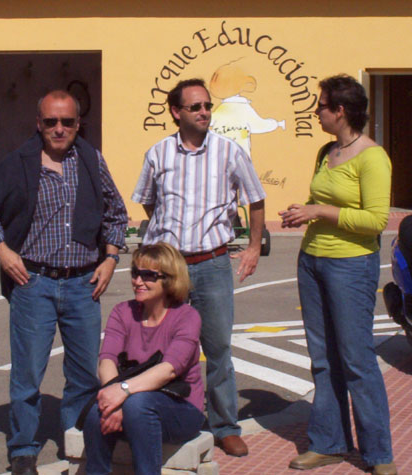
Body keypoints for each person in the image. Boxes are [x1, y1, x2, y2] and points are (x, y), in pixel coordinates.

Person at [0, 90, 127, 475]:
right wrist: (4, 253)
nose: (59, 129)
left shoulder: (90, 159)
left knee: (84, 371)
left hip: (83, 282)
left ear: (77, 124)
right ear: (38, 123)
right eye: (51, 122)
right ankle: (24, 448)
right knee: (27, 373)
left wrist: (111, 258)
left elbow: (116, 213)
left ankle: (76, 436)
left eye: (67, 122)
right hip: (33, 282)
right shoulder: (18, 162)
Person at [131, 78, 266, 457]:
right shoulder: (158, 154)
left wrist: (253, 247)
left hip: (212, 264)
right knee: (160, 346)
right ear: (176, 112)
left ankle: (224, 425)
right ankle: (166, 418)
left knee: (218, 346)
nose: (205, 112)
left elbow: (256, 199)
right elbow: (147, 203)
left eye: (207, 105)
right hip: (168, 269)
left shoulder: (229, 151)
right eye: (196, 107)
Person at [279, 75, 396, 475]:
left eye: (322, 105)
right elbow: (321, 200)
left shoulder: (372, 157)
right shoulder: (326, 151)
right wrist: (304, 210)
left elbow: (376, 220)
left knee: (356, 358)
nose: (317, 111)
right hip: (312, 261)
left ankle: (379, 455)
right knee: (323, 359)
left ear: (340, 111)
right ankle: (328, 442)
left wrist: (320, 212)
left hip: (351, 265)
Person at [82, 242, 206, 474]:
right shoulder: (122, 312)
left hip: (181, 408)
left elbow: (169, 369)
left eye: (148, 275)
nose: (138, 281)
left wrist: (123, 392)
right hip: (134, 401)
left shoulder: (187, 317)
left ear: (169, 279)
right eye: (135, 273)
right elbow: (107, 359)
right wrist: (113, 399)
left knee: (138, 406)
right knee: (95, 412)